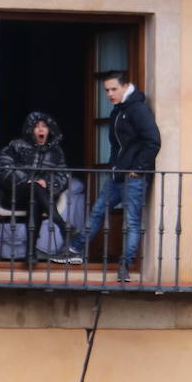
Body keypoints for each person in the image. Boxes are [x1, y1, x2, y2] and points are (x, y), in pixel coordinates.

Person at [56, 70, 162, 282]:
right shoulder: (117, 111)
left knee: (131, 222)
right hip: (117, 177)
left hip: (133, 177)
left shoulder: (137, 109)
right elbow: (116, 147)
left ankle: (125, 266)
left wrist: (139, 168)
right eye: (106, 90)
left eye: (114, 89)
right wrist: (114, 168)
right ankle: (75, 251)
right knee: (97, 212)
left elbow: (153, 141)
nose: (110, 94)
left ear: (125, 86)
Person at [0, 111, 71, 262]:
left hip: (39, 196)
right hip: (14, 194)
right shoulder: (16, 145)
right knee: (35, 189)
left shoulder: (56, 152)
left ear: (50, 130)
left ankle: (30, 255)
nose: (41, 129)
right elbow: (4, 165)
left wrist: (48, 183)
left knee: (36, 196)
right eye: (36, 127)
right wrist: (25, 179)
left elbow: (63, 175)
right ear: (31, 130)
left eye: (44, 126)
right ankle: (62, 225)